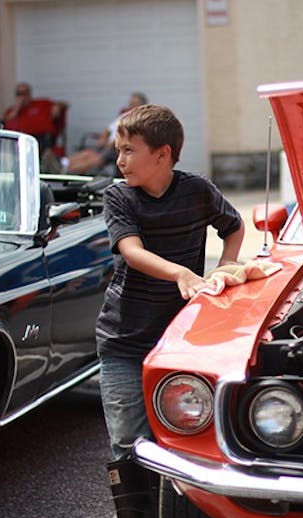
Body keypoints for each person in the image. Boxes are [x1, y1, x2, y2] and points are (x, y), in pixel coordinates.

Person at [96, 104, 244, 459]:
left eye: (129, 150)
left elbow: (234, 226)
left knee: (184, 440)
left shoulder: (197, 191)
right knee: (129, 444)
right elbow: (132, 252)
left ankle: (176, 513)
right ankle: (138, 516)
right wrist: (181, 272)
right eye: (119, 151)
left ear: (163, 155)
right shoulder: (118, 196)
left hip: (182, 340)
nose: (120, 161)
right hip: (124, 342)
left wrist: (225, 267)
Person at [45, 91, 148, 175]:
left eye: (134, 104)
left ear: (141, 106)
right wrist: (103, 138)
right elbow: (108, 129)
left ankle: (66, 172)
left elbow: (130, 136)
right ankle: (63, 164)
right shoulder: (124, 116)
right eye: (130, 104)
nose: (130, 107)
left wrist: (113, 143)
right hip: (108, 145)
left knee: (95, 158)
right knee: (87, 153)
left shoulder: (139, 119)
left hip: (119, 148)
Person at [3, 82, 66, 153]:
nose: (22, 97)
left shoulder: (42, 104)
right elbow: (6, 123)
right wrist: (17, 109)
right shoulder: (11, 111)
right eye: (19, 94)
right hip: (21, 142)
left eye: (24, 93)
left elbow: (63, 105)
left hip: (43, 140)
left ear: (29, 94)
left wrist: (57, 107)